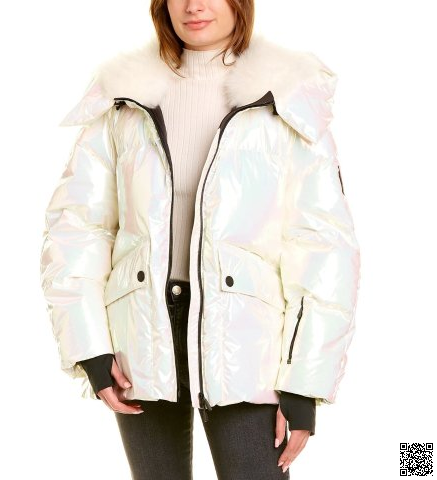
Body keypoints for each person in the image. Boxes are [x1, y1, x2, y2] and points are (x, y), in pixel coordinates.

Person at [39, 0, 361, 478]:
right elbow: (78, 227)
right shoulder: (124, 100)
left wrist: (304, 381)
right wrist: (90, 346)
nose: (194, 6)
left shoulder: (285, 97)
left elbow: (323, 248)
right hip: (142, 332)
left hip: (247, 339)